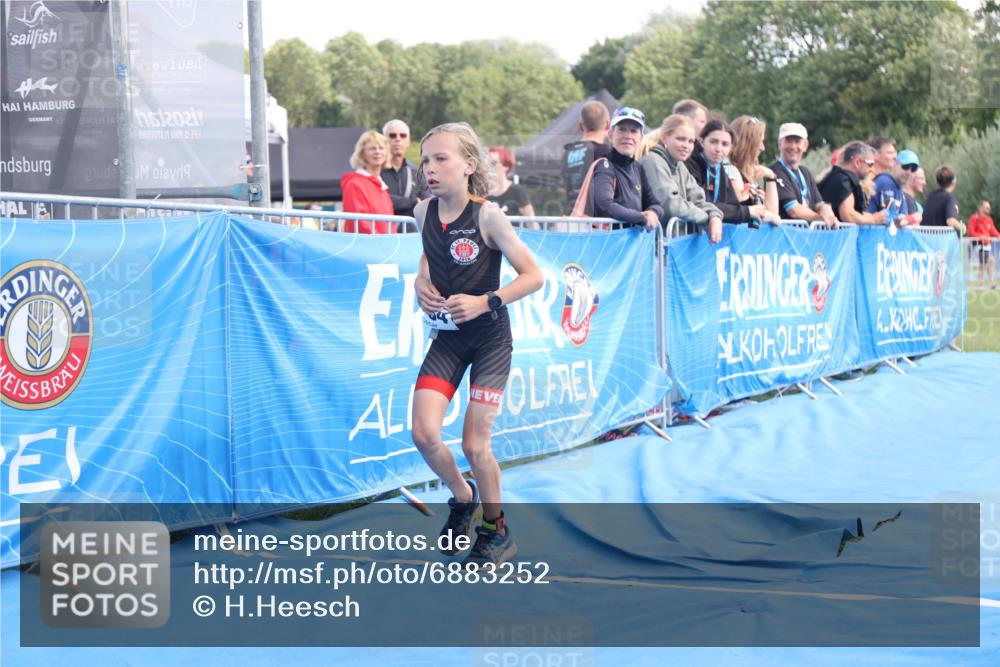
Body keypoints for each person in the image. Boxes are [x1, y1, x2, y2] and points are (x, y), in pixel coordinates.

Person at [412, 122, 543, 567]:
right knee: (424, 435)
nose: (429, 168)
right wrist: (421, 280)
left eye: (440, 159)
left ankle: (496, 528)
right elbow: (430, 253)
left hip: (489, 339)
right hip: (448, 339)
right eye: (425, 160)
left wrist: (487, 300)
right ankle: (462, 497)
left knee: (474, 445)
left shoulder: (488, 215)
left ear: (468, 165)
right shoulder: (421, 212)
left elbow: (534, 275)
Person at [640, 114, 723, 243]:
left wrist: (715, 216)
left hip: (676, 246)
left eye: (691, 141)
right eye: (681, 139)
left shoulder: (679, 165)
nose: (686, 145)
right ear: (665, 138)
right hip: (657, 246)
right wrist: (706, 218)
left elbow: (698, 199)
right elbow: (671, 205)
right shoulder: (653, 161)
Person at [688, 119, 779, 226]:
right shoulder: (692, 164)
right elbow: (700, 204)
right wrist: (751, 212)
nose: (718, 149)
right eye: (713, 142)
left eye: (725, 144)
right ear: (702, 141)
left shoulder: (718, 167)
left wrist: (771, 177)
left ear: (731, 146)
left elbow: (734, 208)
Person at [590, 106, 662, 228]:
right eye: (622, 130)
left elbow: (656, 204)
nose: (628, 136)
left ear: (641, 137)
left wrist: (653, 213)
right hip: (609, 244)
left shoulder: (638, 168)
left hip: (634, 246)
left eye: (634, 131)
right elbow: (604, 205)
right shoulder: (605, 166)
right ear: (610, 135)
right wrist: (641, 218)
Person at [768, 122, 837, 226]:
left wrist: (826, 209)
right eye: (788, 141)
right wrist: (821, 219)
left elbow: (819, 203)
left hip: (805, 238)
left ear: (805, 145)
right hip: (785, 237)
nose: (793, 146)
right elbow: (793, 210)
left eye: (797, 141)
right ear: (780, 144)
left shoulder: (805, 172)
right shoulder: (775, 171)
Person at [818, 141, 886, 225]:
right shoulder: (842, 179)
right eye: (870, 164)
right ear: (857, 162)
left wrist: (877, 217)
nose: (872, 170)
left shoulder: (845, 179)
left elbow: (858, 213)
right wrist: (873, 220)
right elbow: (848, 215)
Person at [341, 130, 396, 234]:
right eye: (372, 148)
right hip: (369, 247)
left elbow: (390, 224)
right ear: (362, 154)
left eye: (381, 148)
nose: (377, 152)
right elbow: (360, 224)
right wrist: (382, 243)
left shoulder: (382, 187)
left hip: (386, 246)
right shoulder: (354, 184)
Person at [563, 100, 611, 212]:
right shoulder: (605, 153)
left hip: (571, 218)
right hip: (596, 222)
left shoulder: (567, 152)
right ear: (608, 125)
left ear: (581, 126)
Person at [727, 115, 779, 217]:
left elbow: (773, 211)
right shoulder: (729, 171)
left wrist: (771, 176)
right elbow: (752, 212)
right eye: (759, 142)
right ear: (746, 143)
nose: (762, 148)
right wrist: (772, 217)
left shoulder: (747, 174)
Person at [867, 148, 920, 227]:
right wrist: (913, 218)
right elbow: (889, 219)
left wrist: (910, 219)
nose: (909, 172)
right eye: (905, 166)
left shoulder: (899, 189)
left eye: (913, 169)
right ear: (894, 164)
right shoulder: (885, 182)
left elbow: (901, 220)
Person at [381, 119, 423, 219]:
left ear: (408, 141)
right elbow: (379, 200)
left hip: (412, 233)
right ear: (383, 140)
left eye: (403, 135)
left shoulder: (417, 172)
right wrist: (412, 201)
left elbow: (426, 201)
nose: (398, 139)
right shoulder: (375, 171)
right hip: (382, 232)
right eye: (392, 135)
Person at [486, 146, 535, 217]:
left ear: (506, 166)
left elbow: (532, 223)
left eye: (493, 163)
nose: (488, 167)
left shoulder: (517, 191)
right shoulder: (482, 193)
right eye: (487, 163)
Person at [922, 165, 966, 234]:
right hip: (941, 241)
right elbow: (950, 220)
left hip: (927, 240)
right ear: (953, 182)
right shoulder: (949, 197)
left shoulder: (930, 196)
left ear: (937, 182)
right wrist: (962, 227)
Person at [969, 200, 999, 286]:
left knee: (989, 262)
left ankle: (989, 283)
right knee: (986, 263)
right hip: (979, 245)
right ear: (981, 207)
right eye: (987, 207)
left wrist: (998, 235)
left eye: (989, 208)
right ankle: (983, 284)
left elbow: (993, 231)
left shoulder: (989, 219)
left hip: (987, 246)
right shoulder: (974, 218)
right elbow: (971, 232)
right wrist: (980, 236)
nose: (989, 209)